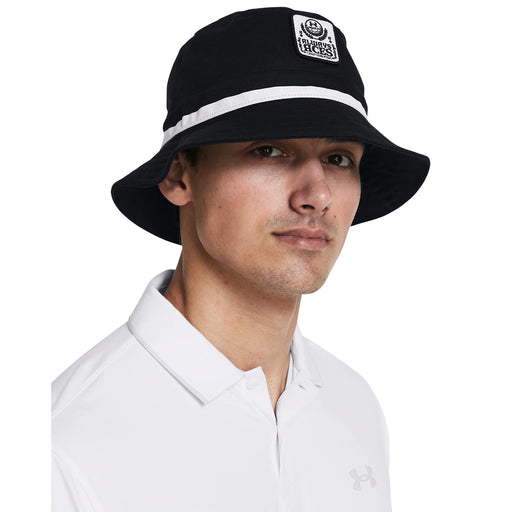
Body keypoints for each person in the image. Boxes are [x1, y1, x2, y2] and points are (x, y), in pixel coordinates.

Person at [51, 7, 429, 512]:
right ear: (179, 176)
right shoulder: (65, 445)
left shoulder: (353, 405)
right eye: (269, 150)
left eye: (338, 158)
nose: (317, 195)